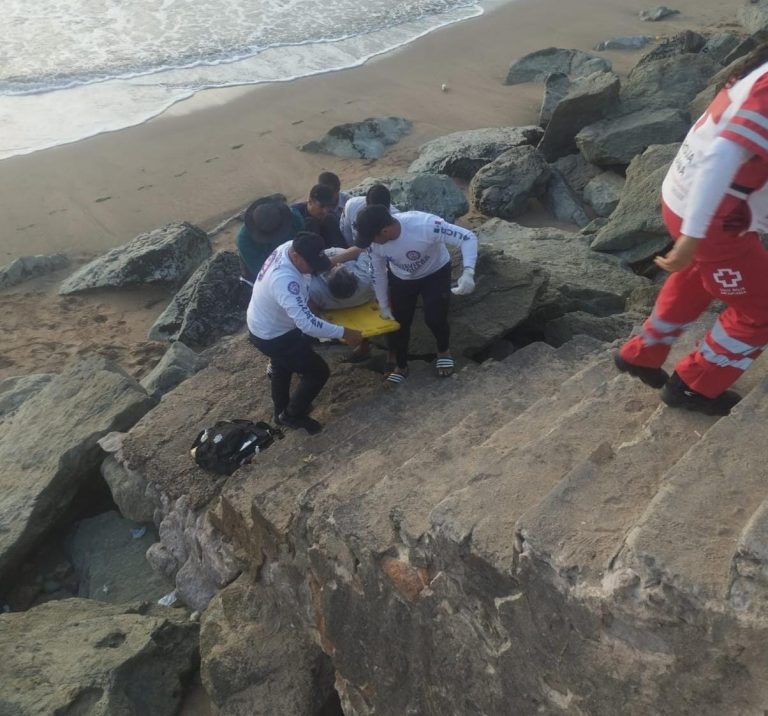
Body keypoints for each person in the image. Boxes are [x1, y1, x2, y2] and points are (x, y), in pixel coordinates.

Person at [615, 45, 768, 416]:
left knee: (699, 274)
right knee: (761, 311)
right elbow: (724, 154)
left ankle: (643, 352)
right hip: (715, 222)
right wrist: (695, 235)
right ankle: (693, 386)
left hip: (685, 198)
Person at [247, 232, 363, 434]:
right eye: (309, 264)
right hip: (273, 335)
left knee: (281, 366)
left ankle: (280, 411)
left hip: (264, 325)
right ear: (296, 256)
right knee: (317, 372)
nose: (312, 269)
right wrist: (344, 332)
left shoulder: (290, 247)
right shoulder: (284, 280)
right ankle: (293, 415)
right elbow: (306, 324)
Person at [354, 205, 478, 385]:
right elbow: (378, 272)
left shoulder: (425, 225)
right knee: (398, 325)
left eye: (372, 237)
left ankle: (443, 351)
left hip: (435, 272)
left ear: (385, 230)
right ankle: (401, 366)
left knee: (435, 317)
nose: (370, 242)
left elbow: (467, 237)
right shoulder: (374, 244)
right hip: (402, 278)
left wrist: (468, 272)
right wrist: (384, 304)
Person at [308, 246, 375, 362]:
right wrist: (334, 262)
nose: (338, 264)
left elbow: (311, 311)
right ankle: (364, 347)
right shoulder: (365, 279)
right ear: (353, 275)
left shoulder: (315, 289)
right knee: (349, 252)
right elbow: (362, 249)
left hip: (330, 305)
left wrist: (325, 265)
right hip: (362, 301)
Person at [237, 194, 304, 284]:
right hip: (262, 277)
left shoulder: (293, 218)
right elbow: (264, 273)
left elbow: (303, 241)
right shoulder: (244, 240)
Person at [292, 184, 346, 249]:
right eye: (322, 206)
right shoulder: (295, 215)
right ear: (310, 201)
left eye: (328, 206)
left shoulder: (331, 215)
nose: (325, 211)